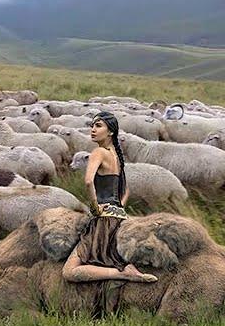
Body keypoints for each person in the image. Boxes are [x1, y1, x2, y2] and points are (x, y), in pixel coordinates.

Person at [62, 111, 158, 284]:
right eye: (92, 125)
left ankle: (121, 274)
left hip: (103, 220)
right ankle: (124, 268)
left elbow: (88, 182)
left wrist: (95, 208)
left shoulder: (98, 152)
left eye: (98, 126)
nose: (92, 129)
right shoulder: (117, 156)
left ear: (111, 132)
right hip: (118, 217)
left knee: (69, 272)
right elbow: (126, 190)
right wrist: (118, 208)